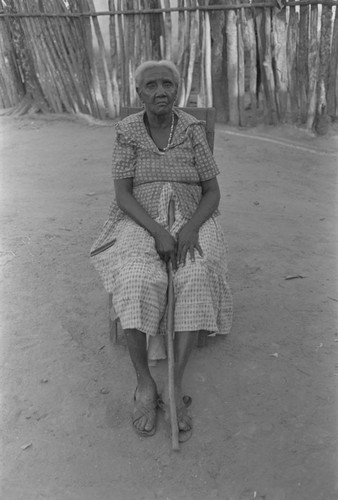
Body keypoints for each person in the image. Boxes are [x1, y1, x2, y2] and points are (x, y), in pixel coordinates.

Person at [91, 60, 232, 442]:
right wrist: (157, 231)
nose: (160, 92)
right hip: (141, 217)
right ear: (139, 94)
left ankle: (173, 384)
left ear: (177, 89)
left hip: (190, 214)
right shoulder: (127, 131)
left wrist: (188, 229)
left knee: (197, 272)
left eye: (167, 84)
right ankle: (144, 384)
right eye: (151, 86)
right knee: (138, 278)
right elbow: (122, 194)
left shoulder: (191, 129)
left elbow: (213, 191)